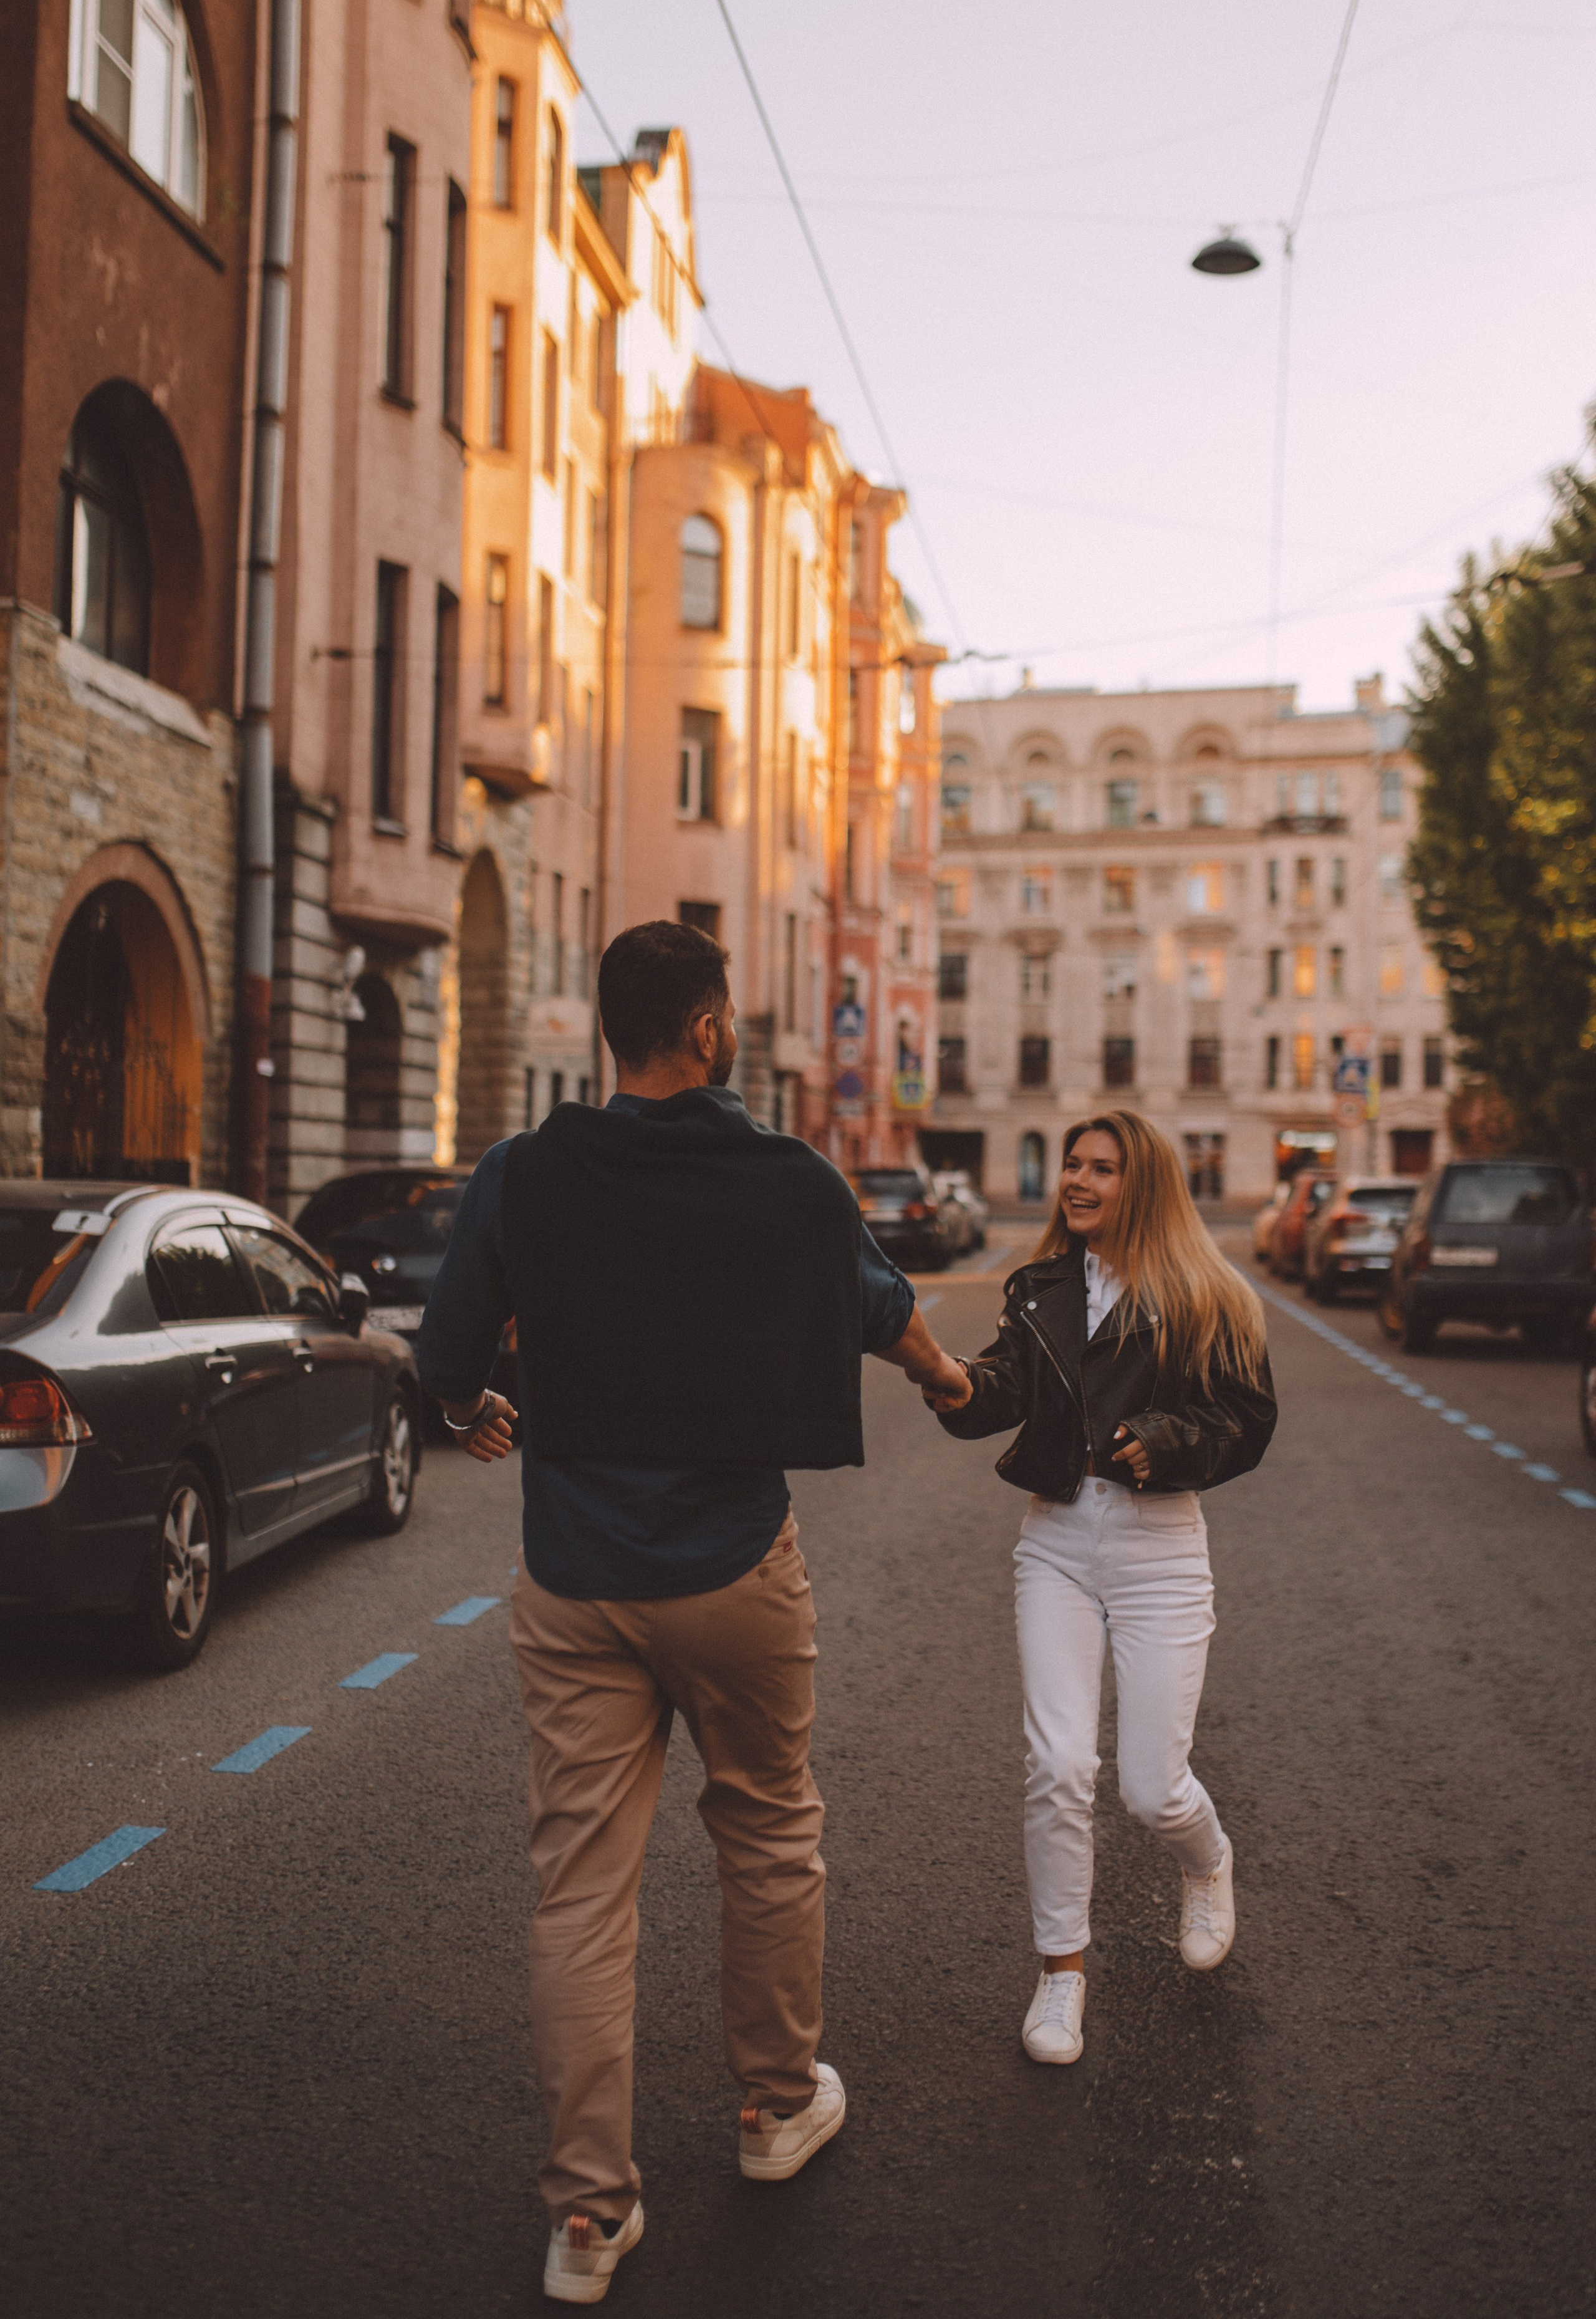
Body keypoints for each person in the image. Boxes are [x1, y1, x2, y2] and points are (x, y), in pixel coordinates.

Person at [416, 920, 967, 2306]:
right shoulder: (787, 1177)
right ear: (710, 1030)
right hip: (731, 1564)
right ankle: (778, 2109)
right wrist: (949, 1379)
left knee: (581, 1890)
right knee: (769, 1822)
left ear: (608, 1030)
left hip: (575, 1575)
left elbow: (445, 1348)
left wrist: (470, 1406)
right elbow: (880, 1307)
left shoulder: (522, 1174)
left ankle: (588, 2220)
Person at [925, 1111, 1275, 2068]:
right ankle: (1061, 1974)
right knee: (1058, 1766)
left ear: (1144, 1183)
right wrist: (948, 1377)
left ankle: (1207, 1861)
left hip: (1162, 1549)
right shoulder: (1041, 1287)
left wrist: (1166, 1443)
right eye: (1072, 1165)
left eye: (1101, 1168)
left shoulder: (1207, 1294)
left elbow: (1245, 1421)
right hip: (1058, 1543)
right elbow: (1001, 1393)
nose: (1077, 1181)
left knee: (1153, 1790)